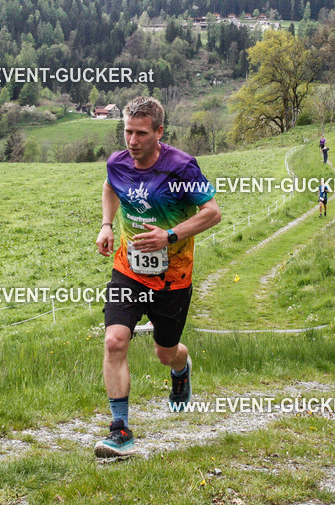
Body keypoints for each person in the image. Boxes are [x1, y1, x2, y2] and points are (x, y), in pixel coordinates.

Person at [95, 96, 222, 458]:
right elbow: (110, 186)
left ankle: (181, 371)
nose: (132, 141)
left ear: (159, 132)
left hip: (172, 279)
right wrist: (107, 224)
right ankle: (120, 430)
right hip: (128, 270)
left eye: (141, 133)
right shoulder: (117, 163)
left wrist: (170, 235)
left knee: (166, 353)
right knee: (114, 341)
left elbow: (212, 212)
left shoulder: (181, 168)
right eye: (127, 132)